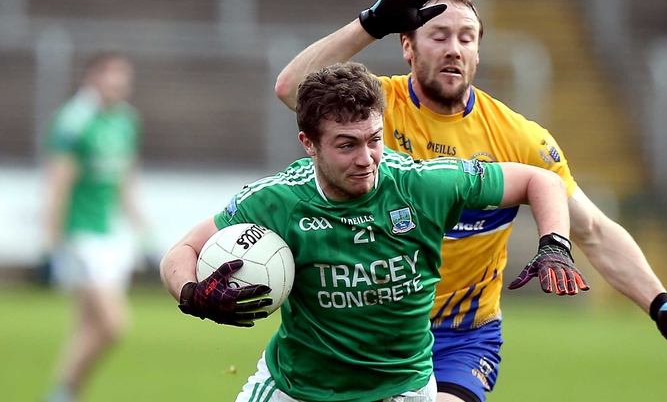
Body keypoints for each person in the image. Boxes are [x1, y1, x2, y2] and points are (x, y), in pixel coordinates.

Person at [274, 0, 667, 402]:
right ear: (407, 46)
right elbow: (293, 89)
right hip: (368, 329)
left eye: (466, 37)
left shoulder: (518, 138)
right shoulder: (374, 113)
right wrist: (371, 23)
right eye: (439, 35)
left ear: (478, 51)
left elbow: (594, 231)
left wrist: (660, 304)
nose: (454, 48)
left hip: (460, 337)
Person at [160, 61, 581, 402]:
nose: (366, 159)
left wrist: (555, 244)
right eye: (347, 145)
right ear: (309, 143)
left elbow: (542, 180)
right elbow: (181, 252)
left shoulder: (423, 185)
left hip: (401, 389)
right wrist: (192, 294)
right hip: (297, 389)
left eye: (374, 140)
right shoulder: (278, 200)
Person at [43, 52, 147, 402]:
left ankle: (66, 395)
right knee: (113, 324)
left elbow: (125, 179)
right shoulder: (74, 121)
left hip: (111, 234)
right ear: (93, 77)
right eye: (111, 74)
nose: (118, 82)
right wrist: (52, 242)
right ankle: (63, 392)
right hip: (81, 234)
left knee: (87, 324)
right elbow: (58, 183)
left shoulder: (126, 120)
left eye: (123, 75)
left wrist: (142, 226)